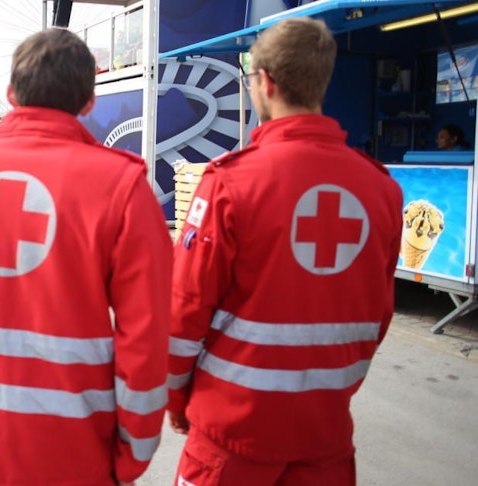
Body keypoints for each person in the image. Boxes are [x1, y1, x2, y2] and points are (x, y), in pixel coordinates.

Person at [0, 28, 171, 486]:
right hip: (79, 460)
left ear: (10, 94)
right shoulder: (122, 187)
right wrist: (134, 453)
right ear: (89, 102)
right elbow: (147, 336)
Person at [168, 18, 403, 486]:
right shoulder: (381, 189)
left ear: (267, 83)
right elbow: (378, 314)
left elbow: (185, 309)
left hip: (230, 436)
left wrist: (177, 398)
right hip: (325, 436)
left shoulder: (230, 183)